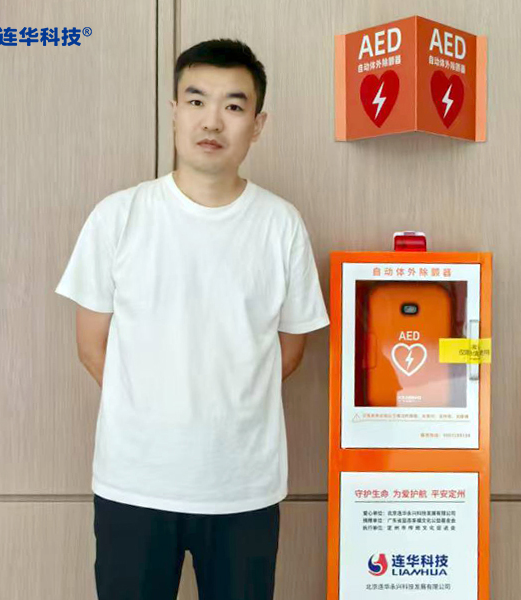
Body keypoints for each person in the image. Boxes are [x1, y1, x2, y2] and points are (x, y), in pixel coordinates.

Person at [55, 39, 329, 600]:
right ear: (174, 111)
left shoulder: (281, 224)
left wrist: (224, 407)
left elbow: (292, 347)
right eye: (197, 101)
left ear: (258, 124)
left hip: (243, 488)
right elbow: (91, 345)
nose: (212, 121)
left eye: (234, 105)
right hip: (133, 482)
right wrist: (156, 409)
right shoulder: (119, 216)